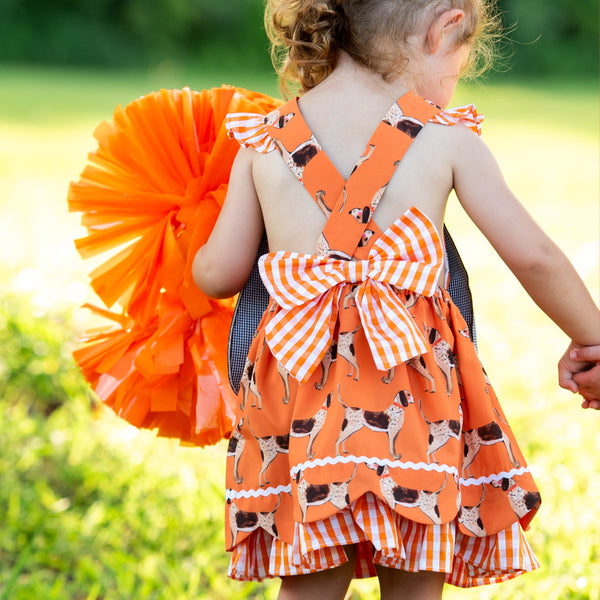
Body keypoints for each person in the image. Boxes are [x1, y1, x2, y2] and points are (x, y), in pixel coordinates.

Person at [192, 0, 600, 597]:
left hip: (298, 384)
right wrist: (591, 334)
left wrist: (193, 239)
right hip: (410, 386)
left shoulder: (264, 141)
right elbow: (533, 255)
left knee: (308, 579)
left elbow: (219, 273)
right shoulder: (444, 138)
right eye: (460, 67)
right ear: (444, 27)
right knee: (416, 570)